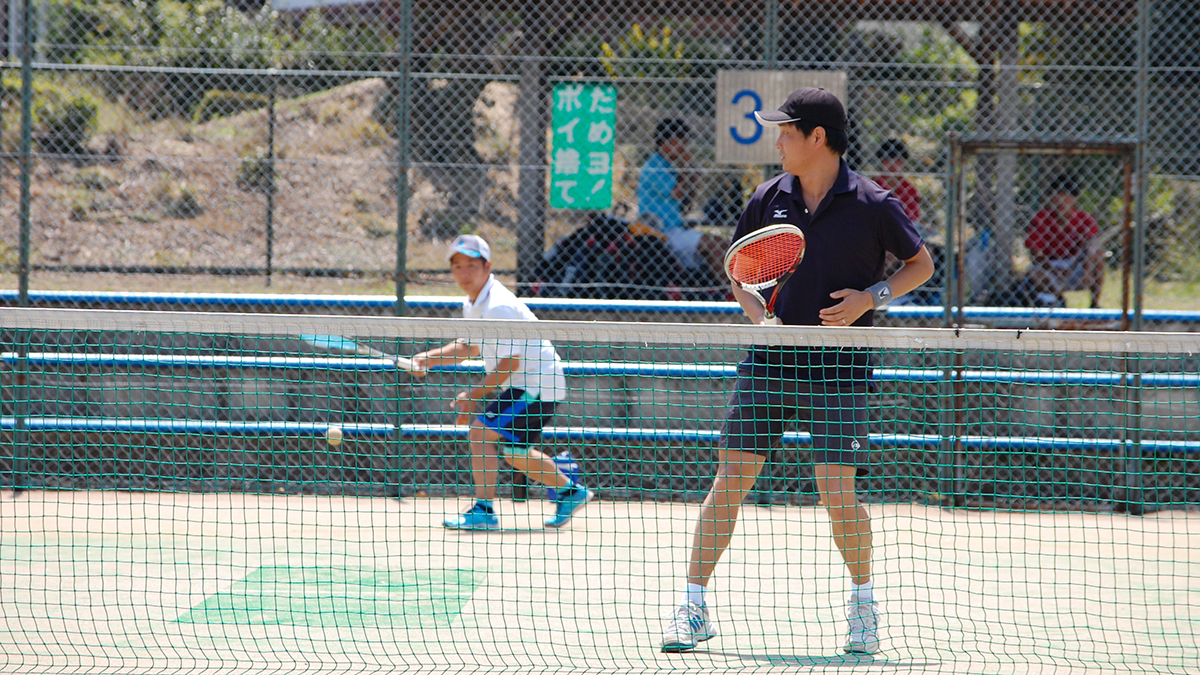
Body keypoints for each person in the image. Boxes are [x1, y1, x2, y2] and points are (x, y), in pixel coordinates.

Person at [659, 88, 934, 655]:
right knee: (728, 482)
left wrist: (870, 298)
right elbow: (740, 272)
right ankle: (692, 605)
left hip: (841, 365)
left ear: (818, 138)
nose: (778, 140)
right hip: (771, 360)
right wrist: (761, 319)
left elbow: (920, 264)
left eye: (787, 132)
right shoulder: (766, 197)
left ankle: (863, 609)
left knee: (838, 492)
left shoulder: (873, 203)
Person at [411, 235, 593, 530]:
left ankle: (484, 510)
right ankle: (570, 492)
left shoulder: (498, 306)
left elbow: (510, 364)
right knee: (514, 453)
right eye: (457, 266)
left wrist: (472, 396)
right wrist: (427, 358)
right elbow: (470, 347)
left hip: (537, 385)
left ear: (488, 266)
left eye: (471, 265)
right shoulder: (473, 303)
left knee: (480, 434)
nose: (464, 272)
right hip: (528, 384)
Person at [637, 118, 726, 281]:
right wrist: (686, 168)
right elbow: (677, 193)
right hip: (661, 233)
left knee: (722, 245)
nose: (683, 148)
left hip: (675, 229)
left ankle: (720, 290)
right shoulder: (654, 167)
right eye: (679, 142)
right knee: (715, 246)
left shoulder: (668, 168)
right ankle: (730, 292)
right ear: (664, 143)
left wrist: (694, 181)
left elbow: (685, 208)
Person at [1023, 174, 1104, 308]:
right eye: (1056, 196)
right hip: (1050, 265)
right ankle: (1056, 300)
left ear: (1074, 199)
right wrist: (1055, 270)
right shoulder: (1042, 218)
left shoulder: (1085, 219)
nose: (1061, 201)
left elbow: (1092, 247)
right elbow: (1035, 253)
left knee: (1099, 255)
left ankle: (1095, 304)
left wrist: (1088, 268)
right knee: (1034, 274)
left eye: (1066, 196)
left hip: (1076, 265)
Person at [873, 138, 920, 226]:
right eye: (887, 159)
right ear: (881, 161)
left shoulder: (909, 190)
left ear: (903, 162)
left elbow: (913, 221)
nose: (892, 164)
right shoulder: (873, 185)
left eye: (897, 160)